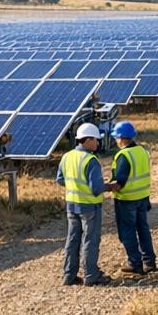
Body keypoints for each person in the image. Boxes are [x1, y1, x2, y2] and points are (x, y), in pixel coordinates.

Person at [55, 123, 110, 287]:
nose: (98, 143)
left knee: (72, 240)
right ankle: (91, 275)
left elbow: (60, 180)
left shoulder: (67, 156)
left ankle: (69, 275)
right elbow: (96, 189)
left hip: (72, 205)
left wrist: (76, 187)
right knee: (90, 241)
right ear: (87, 140)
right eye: (96, 140)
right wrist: (109, 186)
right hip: (89, 207)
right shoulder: (90, 160)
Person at [104, 120, 156, 275]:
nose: (115, 140)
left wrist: (103, 187)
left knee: (127, 232)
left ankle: (135, 263)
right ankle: (150, 262)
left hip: (126, 200)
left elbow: (119, 182)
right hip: (143, 197)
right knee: (143, 229)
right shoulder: (142, 151)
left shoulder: (123, 155)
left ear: (120, 138)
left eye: (116, 137)